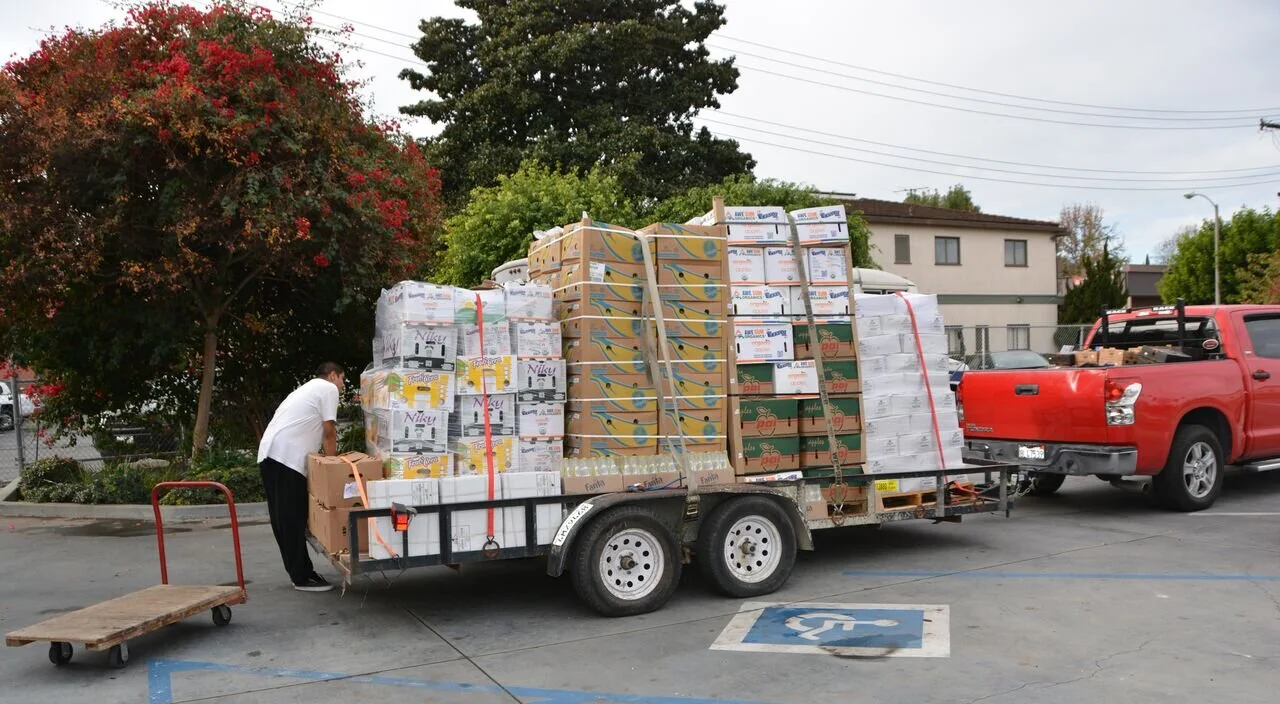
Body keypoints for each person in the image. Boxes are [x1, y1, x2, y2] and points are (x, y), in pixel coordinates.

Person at [257, 362, 344, 592]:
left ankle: (299, 573)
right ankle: (302, 576)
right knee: (292, 519)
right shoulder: (328, 389)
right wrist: (333, 465)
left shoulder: (306, 389)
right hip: (286, 458)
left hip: (269, 454)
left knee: (283, 519)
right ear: (333, 375)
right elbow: (329, 430)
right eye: (342, 379)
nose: (343, 386)